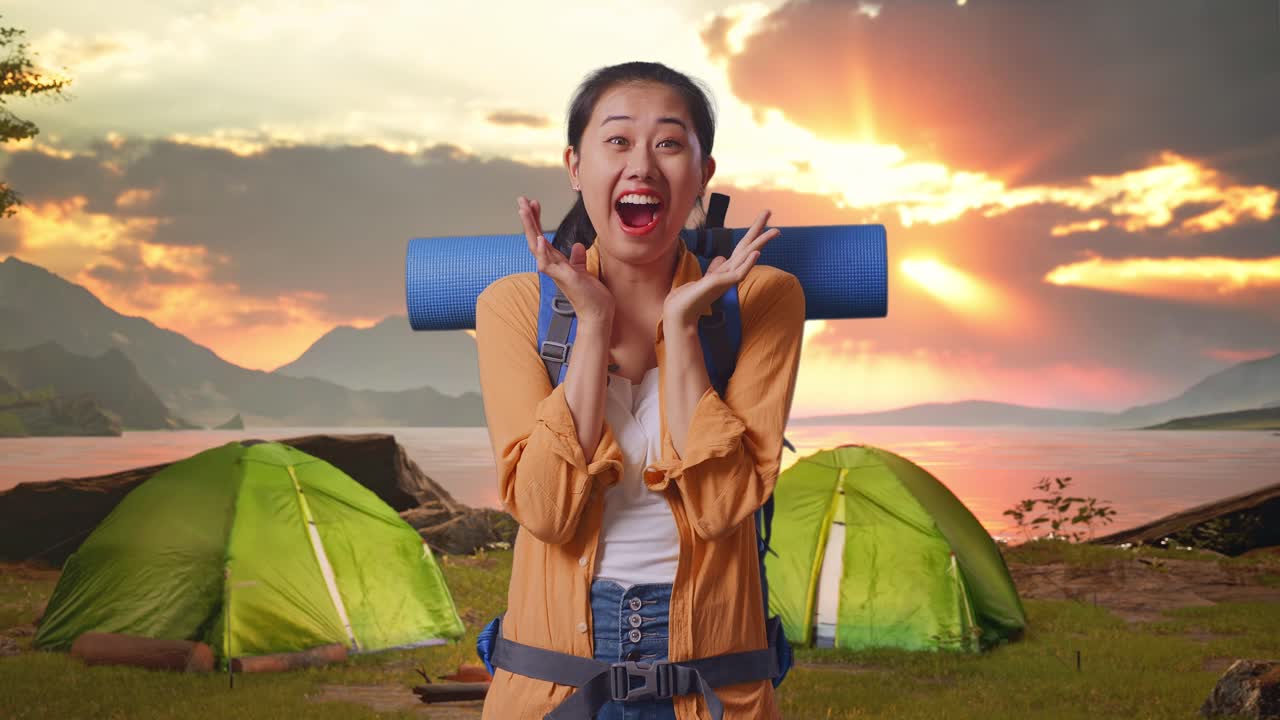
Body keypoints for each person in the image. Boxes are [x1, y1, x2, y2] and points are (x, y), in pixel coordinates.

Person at [475, 60, 805, 720]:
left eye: (670, 143)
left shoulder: (764, 299)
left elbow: (721, 506)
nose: (643, 166)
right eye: (619, 140)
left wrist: (682, 328)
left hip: (713, 687)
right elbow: (545, 511)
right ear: (576, 166)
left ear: (703, 173)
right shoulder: (512, 306)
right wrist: (591, 325)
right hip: (553, 690)